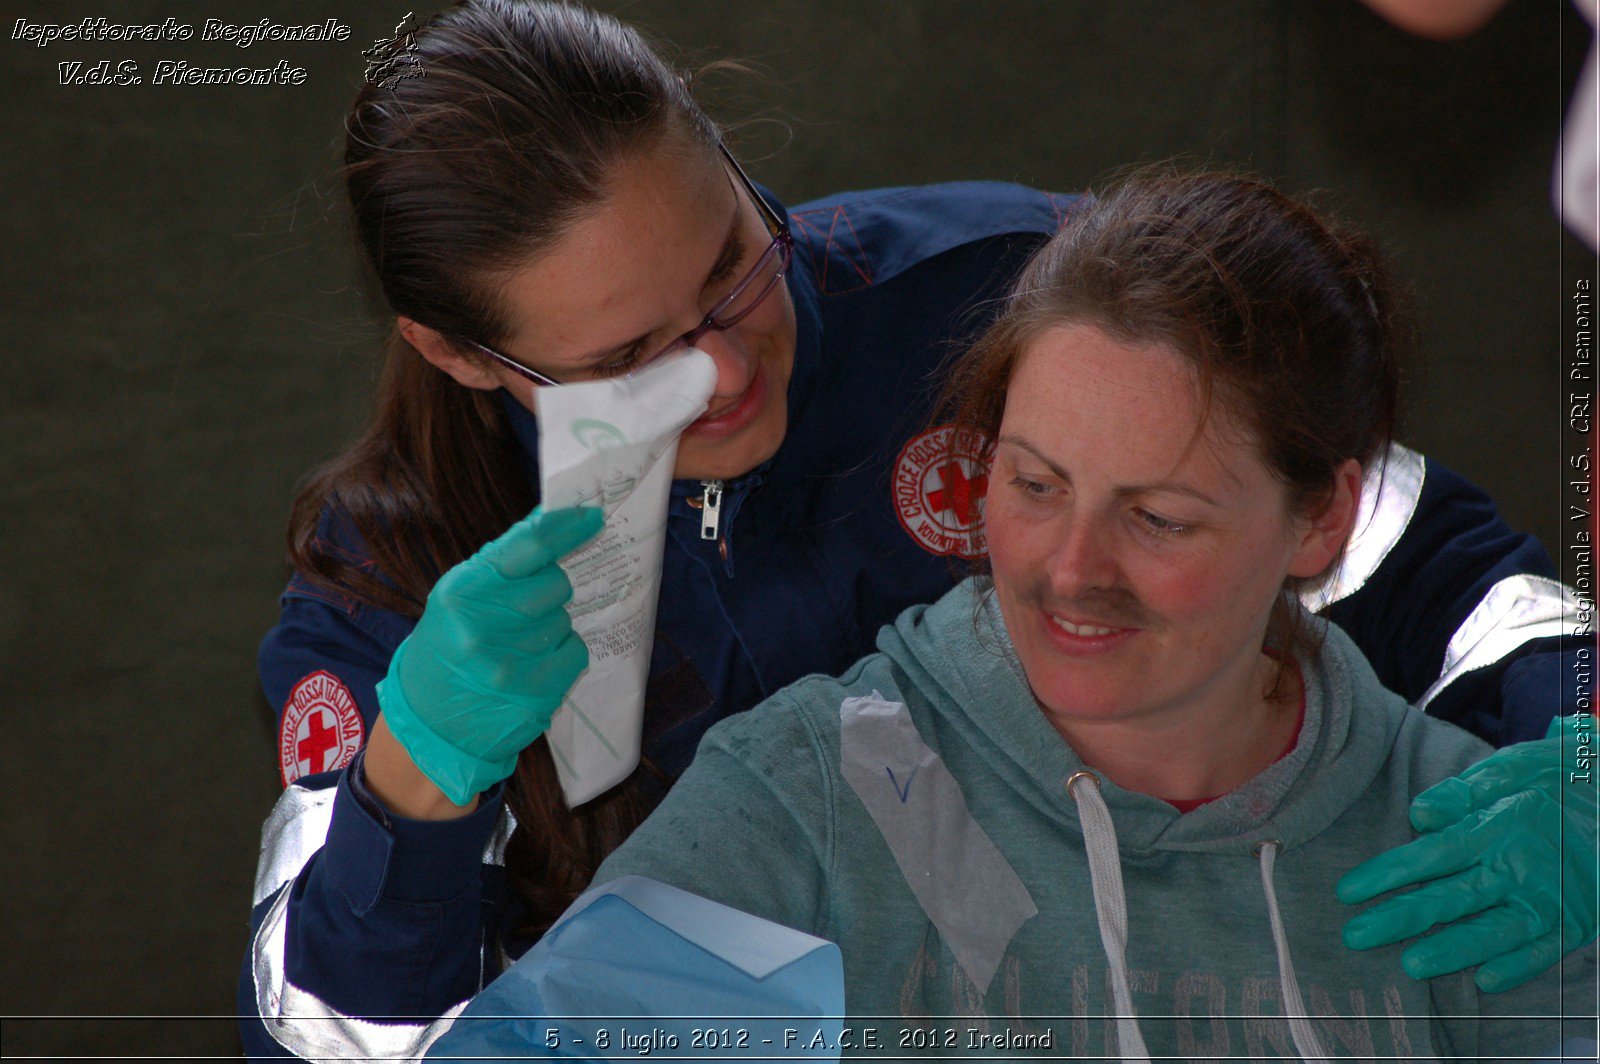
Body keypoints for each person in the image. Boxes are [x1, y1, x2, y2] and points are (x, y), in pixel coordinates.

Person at [241, 2, 1588, 1059]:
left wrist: (1582, 745)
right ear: (464, 356)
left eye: (730, 270)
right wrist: (413, 788)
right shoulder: (391, 582)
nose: (718, 371)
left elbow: (1448, 571)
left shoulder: (1003, 296)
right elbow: (342, 1049)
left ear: (722, 147)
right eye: (628, 359)